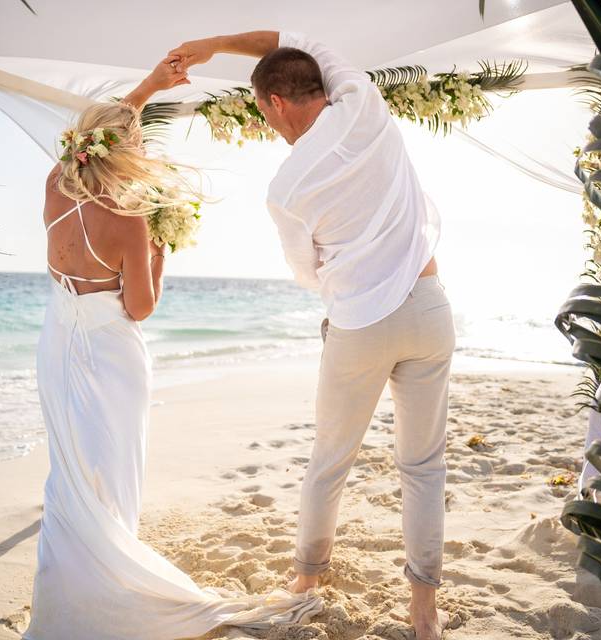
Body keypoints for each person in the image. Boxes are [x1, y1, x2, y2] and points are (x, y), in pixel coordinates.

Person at [170, 32, 454, 640]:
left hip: (360, 323)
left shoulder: (286, 187)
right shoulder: (366, 104)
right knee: (424, 465)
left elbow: (305, 273)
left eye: (262, 112)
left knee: (330, 462)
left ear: (273, 102)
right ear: (321, 86)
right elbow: (300, 40)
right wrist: (213, 45)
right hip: (430, 308)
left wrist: (342, 261)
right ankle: (424, 610)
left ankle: (306, 581)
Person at [25, 55, 320, 640]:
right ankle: (111, 590)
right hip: (111, 354)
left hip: (56, 346)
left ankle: (64, 599)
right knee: (113, 470)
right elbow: (139, 307)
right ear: (126, 152)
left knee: (70, 476)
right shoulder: (130, 221)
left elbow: (103, 133)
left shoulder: (57, 187)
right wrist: (160, 251)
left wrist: (149, 87)